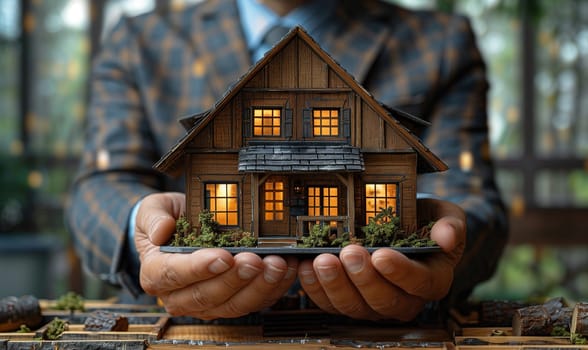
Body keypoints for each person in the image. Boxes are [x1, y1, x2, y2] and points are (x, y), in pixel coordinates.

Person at [66, 0, 508, 321]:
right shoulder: (138, 41)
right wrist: (141, 229)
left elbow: (472, 202)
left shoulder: (440, 43)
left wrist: (430, 241)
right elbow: (101, 186)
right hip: (188, 331)